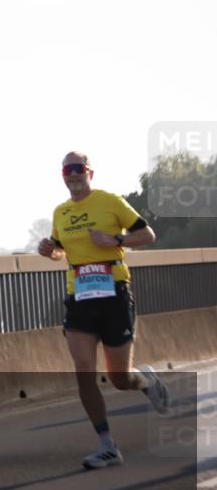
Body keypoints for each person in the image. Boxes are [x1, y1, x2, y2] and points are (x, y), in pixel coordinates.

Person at [37, 151, 170, 470]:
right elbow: (59, 251)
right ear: (62, 175)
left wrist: (115, 238)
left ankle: (147, 381)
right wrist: (50, 251)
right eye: (67, 170)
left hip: (114, 293)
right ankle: (107, 445)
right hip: (79, 297)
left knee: (120, 378)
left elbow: (147, 234)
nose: (73, 174)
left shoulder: (110, 202)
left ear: (90, 173)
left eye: (78, 168)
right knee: (84, 371)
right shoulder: (61, 212)